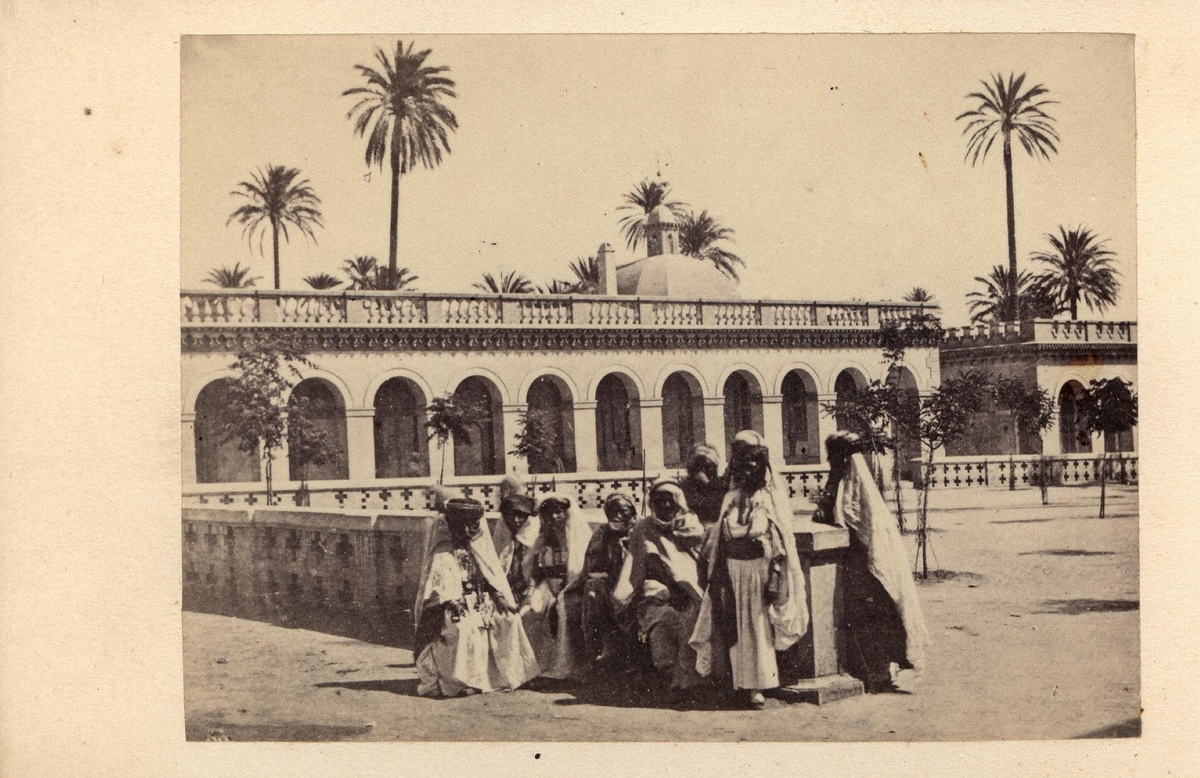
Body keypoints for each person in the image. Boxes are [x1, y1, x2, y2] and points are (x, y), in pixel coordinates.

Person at [690, 430, 810, 710]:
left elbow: (779, 540)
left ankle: (758, 687)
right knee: (732, 626)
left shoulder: (768, 499)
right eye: (742, 467)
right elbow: (719, 538)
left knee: (757, 627)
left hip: (759, 571)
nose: (746, 473)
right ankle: (736, 684)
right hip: (732, 571)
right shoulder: (730, 497)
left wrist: (774, 576)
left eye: (752, 468)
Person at [813, 432, 929, 692]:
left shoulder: (852, 484)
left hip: (864, 564)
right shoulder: (842, 480)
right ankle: (873, 671)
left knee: (870, 617)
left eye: (833, 455)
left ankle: (879, 673)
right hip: (855, 562)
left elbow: (849, 519)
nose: (830, 460)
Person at [413, 495, 540, 698]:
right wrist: (453, 602)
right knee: (465, 628)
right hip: (453, 606)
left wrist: (499, 597)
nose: (467, 531)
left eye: (472, 526)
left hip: (482, 602)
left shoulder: (480, 549)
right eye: (461, 526)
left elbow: (490, 577)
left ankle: (512, 675)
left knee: (509, 619)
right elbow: (437, 586)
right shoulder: (443, 551)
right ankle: (464, 681)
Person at [613, 478, 706, 695]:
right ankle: (673, 680)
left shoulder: (692, 526)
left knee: (691, 618)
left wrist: (684, 588)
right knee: (664, 621)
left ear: (678, 501)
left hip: (694, 593)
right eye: (659, 500)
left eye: (669, 499)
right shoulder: (644, 528)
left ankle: (690, 681)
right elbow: (635, 567)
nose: (665, 505)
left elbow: (702, 562)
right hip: (657, 593)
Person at [520, 493, 593, 680]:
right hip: (547, 586)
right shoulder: (543, 539)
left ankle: (568, 667)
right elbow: (536, 569)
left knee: (564, 610)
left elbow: (581, 572)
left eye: (558, 512)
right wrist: (531, 588)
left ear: (566, 513)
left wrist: (562, 592)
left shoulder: (579, 538)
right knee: (529, 611)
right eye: (549, 513)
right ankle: (536, 667)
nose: (554, 517)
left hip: (573, 588)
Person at [581, 491, 639, 669]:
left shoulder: (640, 530)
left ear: (632, 512)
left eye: (622, 511)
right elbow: (593, 566)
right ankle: (604, 648)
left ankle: (633, 655)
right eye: (612, 512)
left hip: (637, 582)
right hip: (611, 582)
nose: (617, 516)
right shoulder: (602, 532)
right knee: (594, 590)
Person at [493, 488, 538, 605]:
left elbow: (538, 570)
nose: (516, 520)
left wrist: (531, 588)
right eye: (511, 516)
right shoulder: (502, 536)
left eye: (521, 516)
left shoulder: (535, 539)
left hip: (530, 590)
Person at [680, 443, 726, 528]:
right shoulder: (686, 486)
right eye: (700, 466)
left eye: (711, 466)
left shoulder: (720, 485)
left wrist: (708, 483)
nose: (705, 470)